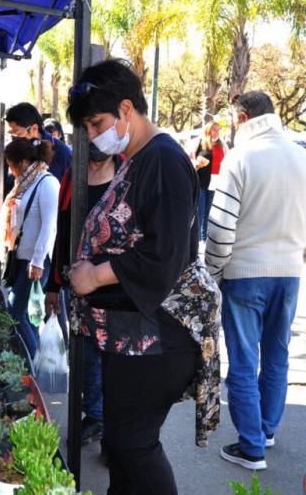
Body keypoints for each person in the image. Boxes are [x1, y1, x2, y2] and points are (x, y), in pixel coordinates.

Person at [66, 59, 221, 495]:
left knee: (133, 444)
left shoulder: (163, 160)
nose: (93, 135)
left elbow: (164, 256)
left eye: (97, 124)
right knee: (122, 446)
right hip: (134, 335)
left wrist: (95, 275)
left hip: (158, 337)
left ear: (126, 109)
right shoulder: (137, 159)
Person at [206, 91, 306, 471]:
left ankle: (251, 447)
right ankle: (266, 430)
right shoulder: (300, 155)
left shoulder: (240, 157)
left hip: (246, 272)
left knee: (244, 361)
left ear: (243, 118)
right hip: (290, 272)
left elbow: (220, 229)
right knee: (277, 354)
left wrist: (213, 273)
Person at [45, 143, 122, 451]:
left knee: (116, 364)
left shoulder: (129, 173)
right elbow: (62, 231)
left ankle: (113, 431)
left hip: (118, 289)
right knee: (87, 359)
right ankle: (95, 416)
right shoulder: (71, 177)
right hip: (79, 289)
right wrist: (53, 284)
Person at [0, 137, 59, 363]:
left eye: (11, 166)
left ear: (22, 162)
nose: (10, 171)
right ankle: (34, 364)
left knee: (15, 312)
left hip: (36, 261)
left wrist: (38, 262)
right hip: (21, 257)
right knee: (27, 315)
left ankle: (32, 364)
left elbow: (49, 226)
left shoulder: (47, 183)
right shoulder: (25, 183)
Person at [6, 103, 72, 182]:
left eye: (18, 133)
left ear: (34, 128)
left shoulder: (62, 151)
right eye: (12, 134)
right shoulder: (14, 149)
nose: (16, 138)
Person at [194, 123, 215, 242]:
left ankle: (204, 239)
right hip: (200, 183)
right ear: (208, 131)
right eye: (214, 130)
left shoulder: (219, 144)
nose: (216, 132)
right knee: (199, 213)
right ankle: (195, 241)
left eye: (218, 130)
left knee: (208, 214)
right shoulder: (199, 142)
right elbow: (190, 158)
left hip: (213, 183)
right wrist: (197, 164)